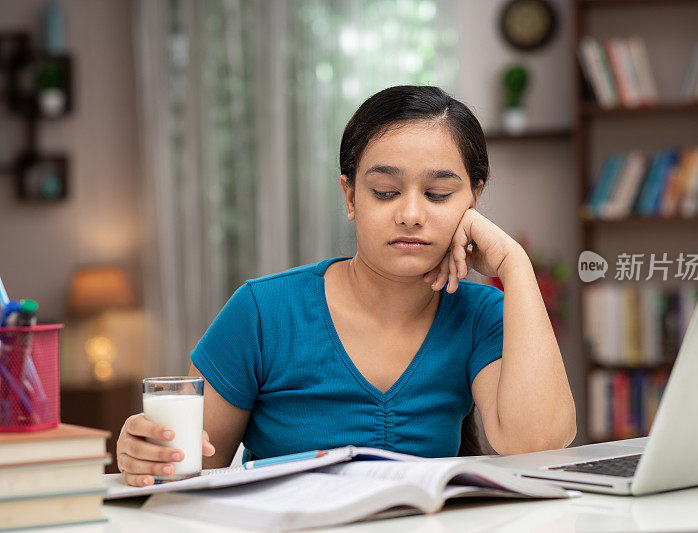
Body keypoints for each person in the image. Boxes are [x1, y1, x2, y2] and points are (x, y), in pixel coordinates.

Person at [116, 85, 576, 487]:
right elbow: (181, 471)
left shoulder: (480, 313)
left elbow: (535, 443)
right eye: (385, 191)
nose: (411, 214)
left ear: (473, 200)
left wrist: (513, 262)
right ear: (350, 196)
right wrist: (146, 453)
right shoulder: (262, 311)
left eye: (438, 194)